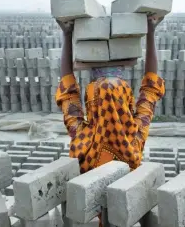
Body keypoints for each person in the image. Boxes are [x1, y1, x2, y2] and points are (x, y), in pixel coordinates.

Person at [55, 15, 165, 225]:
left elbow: (67, 89)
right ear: (127, 100)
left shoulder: (83, 139)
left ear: (91, 104)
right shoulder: (134, 138)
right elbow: (151, 86)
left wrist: (67, 35)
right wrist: (151, 32)